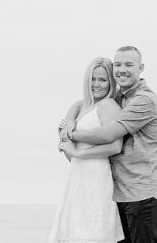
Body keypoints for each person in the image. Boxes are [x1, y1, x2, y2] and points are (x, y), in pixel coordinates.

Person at [61, 46, 157, 243]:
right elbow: (83, 103)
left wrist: (71, 135)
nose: (122, 69)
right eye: (117, 64)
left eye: (129, 64)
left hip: (142, 191)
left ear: (141, 67)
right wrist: (69, 120)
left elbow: (107, 135)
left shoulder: (144, 99)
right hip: (118, 193)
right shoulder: (117, 98)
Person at [49, 57, 124, 243]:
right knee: (72, 232)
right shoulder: (78, 106)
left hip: (97, 178)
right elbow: (70, 155)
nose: (96, 84)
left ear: (111, 82)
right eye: (93, 78)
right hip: (77, 177)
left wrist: (77, 152)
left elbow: (115, 146)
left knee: (92, 233)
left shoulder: (108, 105)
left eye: (102, 79)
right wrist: (64, 139)